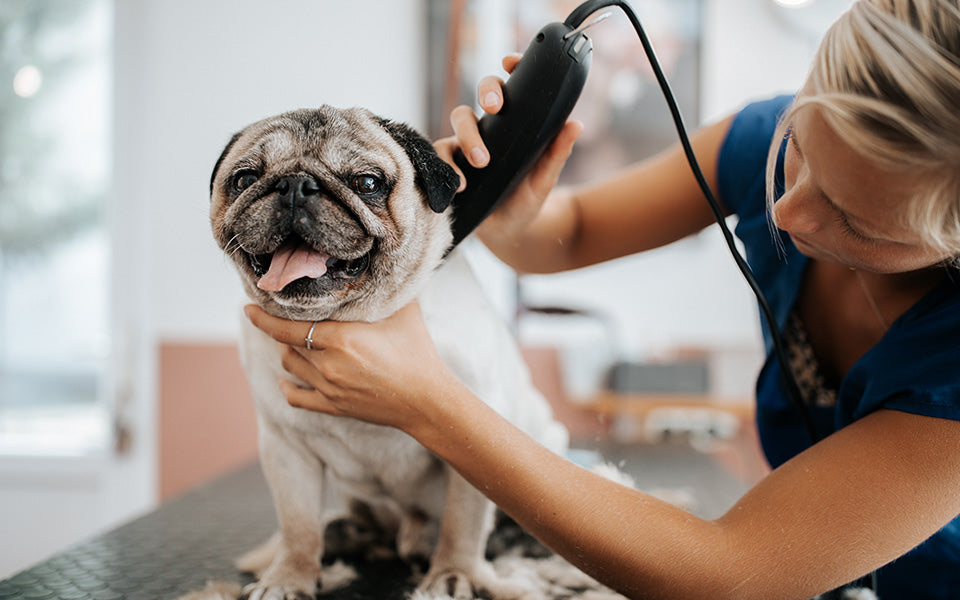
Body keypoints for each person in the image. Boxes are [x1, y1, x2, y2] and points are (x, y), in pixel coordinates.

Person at [243, 1, 960, 598]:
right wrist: (516, 208)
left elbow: (733, 575)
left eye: (854, 218)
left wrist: (430, 401)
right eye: (800, 148)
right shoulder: (762, 142)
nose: (788, 212)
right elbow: (569, 236)